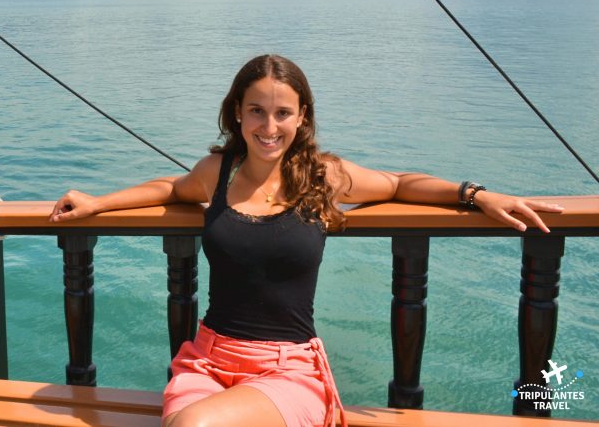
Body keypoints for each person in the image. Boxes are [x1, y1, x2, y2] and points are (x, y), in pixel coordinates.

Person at [49, 54, 563, 427]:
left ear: (302, 117)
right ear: (236, 113)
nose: (268, 126)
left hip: (286, 369)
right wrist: (98, 203)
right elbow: (170, 188)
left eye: (282, 113)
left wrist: (475, 194)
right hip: (206, 362)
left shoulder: (322, 176)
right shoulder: (217, 172)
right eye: (255, 111)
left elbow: (400, 182)